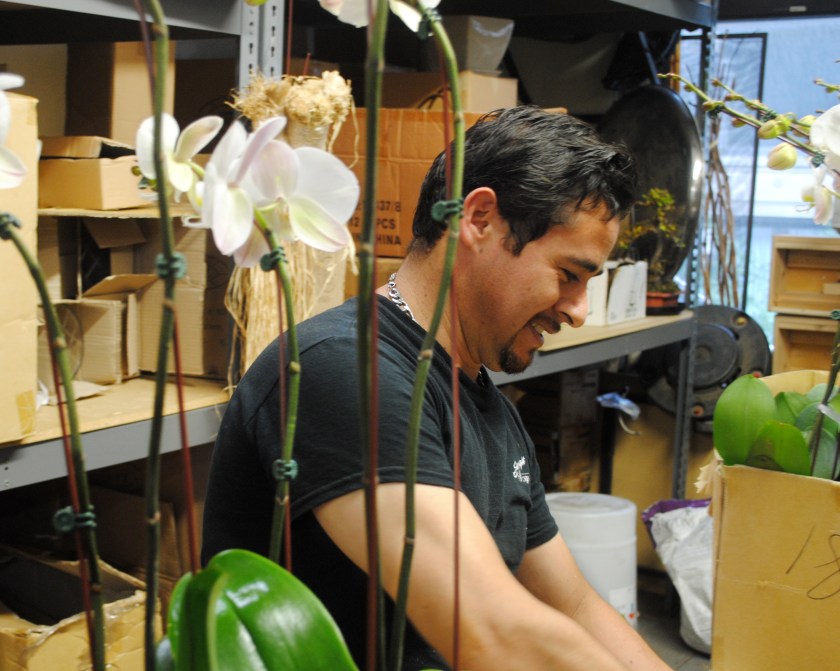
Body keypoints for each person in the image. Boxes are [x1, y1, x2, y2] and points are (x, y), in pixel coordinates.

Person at [202, 106, 672, 671]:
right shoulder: (346, 372)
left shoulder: (490, 410)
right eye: (568, 275)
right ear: (478, 219)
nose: (578, 311)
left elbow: (572, 605)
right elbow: (492, 631)